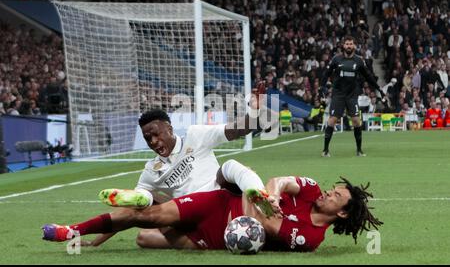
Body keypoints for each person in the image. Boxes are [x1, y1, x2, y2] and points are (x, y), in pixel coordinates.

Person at [68, 105, 274, 247]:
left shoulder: (196, 135)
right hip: (191, 217)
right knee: (143, 237)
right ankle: (203, 242)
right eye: (148, 138)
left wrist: (255, 111)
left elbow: (236, 130)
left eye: (157, 134)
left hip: (220, 202)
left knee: (228, 170)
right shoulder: (151, 169)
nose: (154, 142)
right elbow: (130, 210)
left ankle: (259, 196)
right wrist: (96, 242)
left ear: (169, 128)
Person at [42, 169, 382, 253]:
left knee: (145, 239)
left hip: (219, 237)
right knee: (145, 217)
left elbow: (263, 222)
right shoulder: (309, 190)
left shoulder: (311, 238)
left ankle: (153, 200)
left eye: (335, 195)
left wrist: (263, 207)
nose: (327, 192)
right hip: (218, 204)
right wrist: (273, 193)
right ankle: (70, 231)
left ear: (341, 213)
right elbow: (280, 181)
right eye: (332, 188)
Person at [320, 36, 386, 157]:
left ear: (354, 46)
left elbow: (369, 76)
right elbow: (326, 74)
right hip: (338, 94)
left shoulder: (359, 61)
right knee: (332, 120)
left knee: (356, 121)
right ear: (343, 45)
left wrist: (378, 89)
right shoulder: (336, 59)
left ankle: (359, 151)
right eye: (347, 44)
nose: (349, 46)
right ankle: (325, 150)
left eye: (351, 44)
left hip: (352, 95)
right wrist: (321, 88)